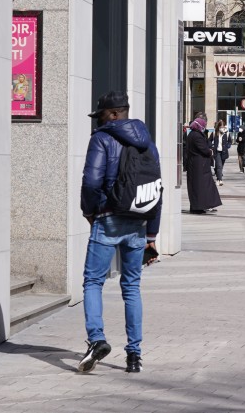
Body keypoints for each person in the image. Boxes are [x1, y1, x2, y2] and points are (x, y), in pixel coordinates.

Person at [78, 90, 162, 374]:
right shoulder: (147, 141)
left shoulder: (102, 138)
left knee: (92, 282)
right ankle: (134, 355)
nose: (98, 121)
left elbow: (91, 182)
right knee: (131, 287)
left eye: (101, 115)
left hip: (107, 219)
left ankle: (97, 340)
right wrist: (152, 234)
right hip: (138, 222)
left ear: (114, 113)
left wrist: (89, 212)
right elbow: (156, 189)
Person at [183, 114, 222, 214]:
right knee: (201, 186)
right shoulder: (197, 136)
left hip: (195, 164)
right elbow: (203, 149)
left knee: (197, 186)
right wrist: (210, 151)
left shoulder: (192, 134)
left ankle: (198, 206)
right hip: (199, 165)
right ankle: (199, 206)